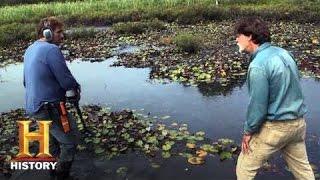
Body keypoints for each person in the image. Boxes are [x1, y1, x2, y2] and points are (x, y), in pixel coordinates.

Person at [235, 17, 315, 180]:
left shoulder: (258, 65)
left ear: (249, 36)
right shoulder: (285, 53)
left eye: (238, 35)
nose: (236, 39)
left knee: (244, 169)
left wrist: (248, 131)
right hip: (298, 124)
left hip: (275, 129)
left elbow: (258, 106)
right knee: (303, 170)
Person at [23, 16, 80, 180]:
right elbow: (67, 81)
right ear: (47, 33)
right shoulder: (52, 50)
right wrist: (75, 89)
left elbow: (25, 82)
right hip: (49, 108)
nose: (62, 36)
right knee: (70, 141)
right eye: (59, 32)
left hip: (34, 106)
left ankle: (53, 169)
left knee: (54, 140)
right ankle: (62, 174)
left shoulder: (30, 49)